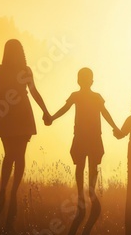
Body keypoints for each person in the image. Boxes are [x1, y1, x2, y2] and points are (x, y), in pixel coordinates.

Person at [0, 39, 51, 230]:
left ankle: (9, 190)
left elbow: (30, 91)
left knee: (14, 155)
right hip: (15, 113)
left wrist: (45, 111)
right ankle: (8, 190)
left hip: (13, 113)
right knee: (14, 155)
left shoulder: (12, 70)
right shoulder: (7, 70)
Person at [45, 67, 120, 209]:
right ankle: (85, 194)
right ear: (90, 81)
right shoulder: (86, 96)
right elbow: (104, 113)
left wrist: (52, 118)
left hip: (87, 136)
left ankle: (85, 194)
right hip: (87, 136)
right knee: (88, 166)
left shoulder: (87, 96)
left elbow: (104, 112)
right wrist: (115, 127)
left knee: (85, 166)